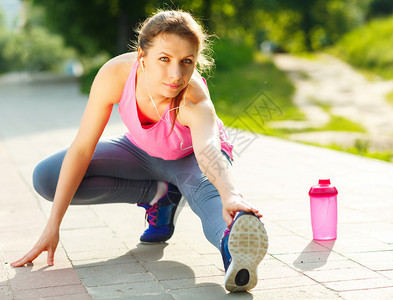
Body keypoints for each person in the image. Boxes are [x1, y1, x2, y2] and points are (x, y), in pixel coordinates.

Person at [11, 10, 268, 292]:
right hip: (140, 151)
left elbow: (208, 150)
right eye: (164, 59)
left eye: (187, 62)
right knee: (48, 177)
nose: (176, 74)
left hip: (191, 160)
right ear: (141, 56)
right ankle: (159, 195)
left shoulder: (194, 98)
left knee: (210, 198)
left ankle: (235, 250)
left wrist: (231, 194)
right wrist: (53, 225)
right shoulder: (115, 75)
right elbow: (83, 148)